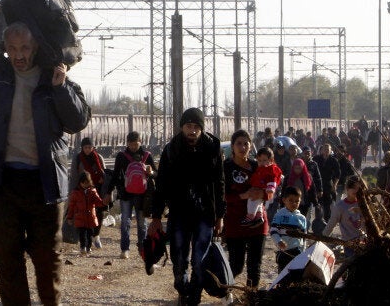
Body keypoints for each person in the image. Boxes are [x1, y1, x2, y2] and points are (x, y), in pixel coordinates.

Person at [0, 3, 90, 305]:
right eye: (12, 48)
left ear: (36, 45)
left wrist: (61, 88)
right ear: (5, 47)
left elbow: (78, 121)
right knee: (8, 263)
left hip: (45, 186)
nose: (19, 55)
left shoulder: (55, 77)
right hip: (3, 184)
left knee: (47, 263)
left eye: (25, 47)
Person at [148, 107, 225, 305]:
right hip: (179, 212)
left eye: (196, 127)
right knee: (179, 258)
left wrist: (220, 216)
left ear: (202, 128)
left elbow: (219, 182)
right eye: (188, 126)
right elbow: (162, 184)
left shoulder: (212, 148)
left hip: (205, 213)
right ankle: (182, 289)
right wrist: (156, 216)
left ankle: (195, 293)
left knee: (200, 258)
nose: (192, 131)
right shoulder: (172, 149)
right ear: (182, 127)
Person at [221, 130, 268, 289]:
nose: (242, 147)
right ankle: (224, 289)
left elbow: (272, 189)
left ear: (251, 146)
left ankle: (251, 297)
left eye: (246, 143)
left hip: (258, 222)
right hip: (235, 222)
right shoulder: (225, 167)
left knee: (255, 266)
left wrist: (262, 193)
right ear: (232, 147)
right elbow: (220, 196)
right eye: (238, 143)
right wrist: (243, 195)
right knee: (236, 265)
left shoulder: (258, 166)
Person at [104, 131, 156, 259]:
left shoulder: (146, 156)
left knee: (141, 223)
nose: (133, 147)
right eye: (131, 144)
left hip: (142, 195)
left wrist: (151, 172)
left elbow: (156, 174)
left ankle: (142, 248)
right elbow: (115, 175)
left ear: (140, 142)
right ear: (127, 143)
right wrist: (108, 192)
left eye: (135, 144)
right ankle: (125, 249)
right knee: (125, 222)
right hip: (126, 194)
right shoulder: (121, 156)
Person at [69, 137, 107, 248]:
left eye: (89, 147)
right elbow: (74, 176)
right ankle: (85, 240)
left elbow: (105, 174)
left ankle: (96, 235)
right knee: (84, 215)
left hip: (97, 190)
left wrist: (103, 181)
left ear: (93, 147)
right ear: (82, 148)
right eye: (85, 147)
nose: (87, 149)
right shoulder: (78, 159)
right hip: (82, 192)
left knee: (99, 214)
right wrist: (72, 192)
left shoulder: (98, 158)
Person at [322, 176, 365, 258]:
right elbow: (331, 224)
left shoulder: (364, 205)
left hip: (364, 242)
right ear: (347, 189)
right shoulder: (340, 207)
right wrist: (323, 238)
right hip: (349, 244)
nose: (356, 191)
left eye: (359, 189)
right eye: (354, 188)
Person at [66, 171, 105, 257]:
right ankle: (83, 247)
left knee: (90, 234)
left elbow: (98, 201)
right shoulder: (75, 193)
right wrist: (69, 217)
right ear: (80, 183)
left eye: (87, 183)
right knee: (82, 234)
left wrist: (103, 203)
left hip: (90, 218)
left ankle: (88, 247)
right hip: (80, 218)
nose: (85, 185)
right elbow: (71, 206)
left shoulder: (92, 191)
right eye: (83, 183)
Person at [241, 147, 282, 227]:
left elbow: (273, 178)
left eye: (264, 160)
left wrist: (270, 188)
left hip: (263, 189)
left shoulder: (271, 169)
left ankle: (250, 216)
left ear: (271, 160)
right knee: (259, 204)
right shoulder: (260, 168)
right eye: (259, 160)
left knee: (252, 201)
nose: (261, 162)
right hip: (259, 188)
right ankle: (259, 216)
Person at [270, 186, 307, 273]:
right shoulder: (279, 215)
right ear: (284, 200)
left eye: (297, 201)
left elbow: (304, 236)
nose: (294, 203)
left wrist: (303, 251)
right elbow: (273, 231)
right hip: (284, 251)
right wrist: (279, 241)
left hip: (297, 251)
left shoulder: (302, 218)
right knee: (283, 274)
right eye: (290, 200)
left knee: (296, 274)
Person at [313, 144, 340, 222]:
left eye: (328, 149)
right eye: (324, 149)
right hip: (317, 184)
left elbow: (338, 174)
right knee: (318, 204)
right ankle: (318, 222)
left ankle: (327, 221)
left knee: (327, 205)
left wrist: (334, 185)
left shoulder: (333, 160)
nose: (326, 151)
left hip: (328, 184)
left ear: (330, 150)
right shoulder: (316, 159)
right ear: (321, 150)